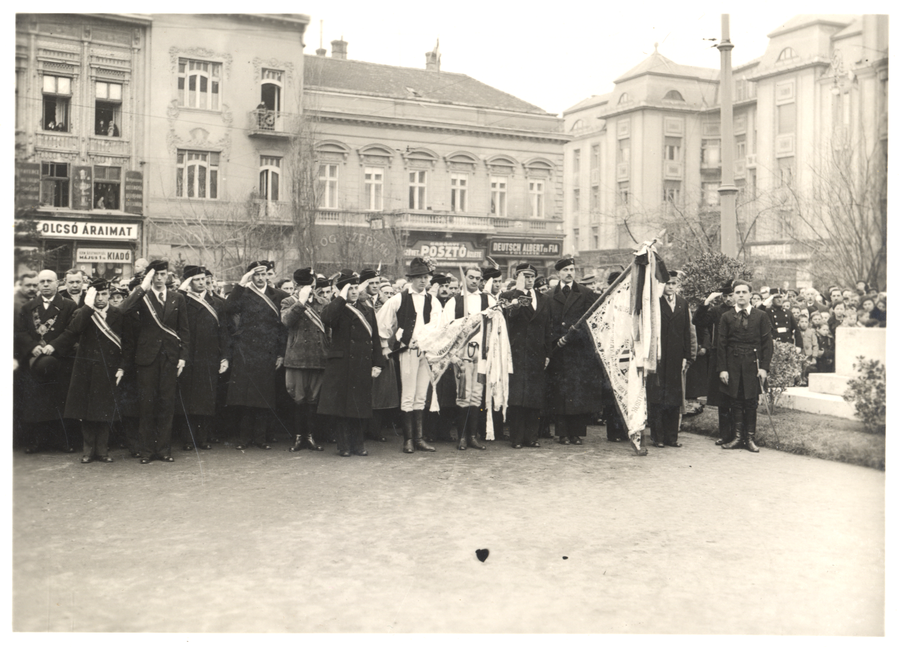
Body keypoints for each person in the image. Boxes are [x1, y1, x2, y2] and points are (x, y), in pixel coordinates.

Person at [52, 278, 134, 463]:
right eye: (97, 295)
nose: (101, 298)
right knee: (87, 412)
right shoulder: (84, 312)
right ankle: (88, 451)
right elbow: (74, 330)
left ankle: (102, 451)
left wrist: (122, 367)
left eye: (104, 294)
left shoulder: (119, 314)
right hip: (86, 369)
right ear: (91, 295)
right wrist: (88, 307)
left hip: (110, 368)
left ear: (109, 294)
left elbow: (128, 344)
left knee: (104, 411)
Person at [118, 260, 190, 463]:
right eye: (155, 274)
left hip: (170, 358)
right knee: (147, 405)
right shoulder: (143, 296)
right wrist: (143, 286)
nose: (159, 278)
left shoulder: (177, 298)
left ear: (168, 275)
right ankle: (147, 451)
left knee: (166, 404)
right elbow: (123, 310)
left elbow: (184, 330)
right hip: (147, 358)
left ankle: (164, 450)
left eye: (163, 274)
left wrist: (183, 357)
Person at [375, 257, 443, 454]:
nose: (423, 281)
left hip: (426, 353)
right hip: (407, 352)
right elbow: (382, 323)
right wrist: (385, 345)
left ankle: (419, 439)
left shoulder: (433, 301)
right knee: (408, 395)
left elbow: (438, 327)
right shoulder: (399, 299)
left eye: (426, 277)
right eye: (419, 277)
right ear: (411, 279)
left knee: (421, 395)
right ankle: (408, 440)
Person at [317, 270, 385, 457]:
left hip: (362, 364)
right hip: (342, 365)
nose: (354, 292)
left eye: (356, 288)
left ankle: (358, 444)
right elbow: (327, 319)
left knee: (359, 406)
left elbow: (375, 338)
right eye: (350, 288)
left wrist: (377, 363)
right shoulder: (337, 308)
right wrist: (340, 298)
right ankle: (344, 446)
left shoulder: (367, 309)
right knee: (342, 408)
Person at [14, 269, 80, 453]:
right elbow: (20, 331)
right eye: (41, 281)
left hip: (59, 360)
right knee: (36, 403)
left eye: (49, 281)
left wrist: (55, 345)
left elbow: (72, 331)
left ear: (57, 283)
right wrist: (32, 346)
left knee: (59, 403)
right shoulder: (28, 307)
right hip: (36, 362)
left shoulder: (68, 306)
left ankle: (62, 442)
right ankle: (38, 442)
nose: (45, 285)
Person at [224, 261, 287, 451]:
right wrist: (241, 283)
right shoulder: (243, 293)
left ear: (269, 275)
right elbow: (228, 308)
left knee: (264, 396)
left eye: (264, 274)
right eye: (256, 275)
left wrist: (281, 353)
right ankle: (244, 438)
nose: (260, 278)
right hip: (247, 351)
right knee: (245, 397)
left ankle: (261, 438)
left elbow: (283, 328)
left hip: (268, 351)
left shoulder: (279, 295)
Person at [440, 266, 498, 450]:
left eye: (477, 278)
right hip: (462, 355)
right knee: (463, 394)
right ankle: (462, 437)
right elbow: (446, 329)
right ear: (464, 278)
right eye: (471, 277)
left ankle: (472, 436)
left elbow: (496, 326)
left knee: (476, 395)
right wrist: (452, 355)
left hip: (482, 355)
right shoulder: (454, 302)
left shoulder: (488, 300)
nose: (474, 281)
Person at [546, 256, 602, 445]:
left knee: (578, 392)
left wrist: (574, 336)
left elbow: (591, 322)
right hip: (559, 351)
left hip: (578, 351)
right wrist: (557, 338)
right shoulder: (549, 295)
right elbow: (548, 323)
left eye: (572, 270)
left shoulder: (586, 293)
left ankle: (577, 433)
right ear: (558, 273)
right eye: (565, 270)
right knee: (561, 392)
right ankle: (562, 433)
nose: (569, 273)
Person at [175, 265, 231, 451]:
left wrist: (224, 357)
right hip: (189, 357)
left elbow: (224, 333)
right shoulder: (183, 300)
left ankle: (203, 438)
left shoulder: (217, 303)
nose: (201, 283)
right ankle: (188, 439)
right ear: (189, 282)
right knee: (188, 399)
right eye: (196, 280)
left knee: (206, 399)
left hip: (209, 357)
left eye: (203, 279)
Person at [717, 280, 774, 453]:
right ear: (733, 295)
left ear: (750, 294)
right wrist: (723, 369)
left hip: (753, 364)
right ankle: (737, 438)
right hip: (733, 365)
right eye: (737, 292)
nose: (741, 295)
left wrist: (764, 367)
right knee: (735, 401)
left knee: (750, 402)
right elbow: (721, 344)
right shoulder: (726, 317)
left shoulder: (761, 316)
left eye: (744, 292)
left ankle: (749, 439)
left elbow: (767, 344)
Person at [499, 263, 551, 449]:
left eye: (531, 276)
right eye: (524, 276)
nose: (529, 280)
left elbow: (548, 327)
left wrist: (547, 353)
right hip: (516, 352)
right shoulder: (507, 296)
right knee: (517, 396)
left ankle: (531, 437)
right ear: (517, 277)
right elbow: (511, 317)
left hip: (537, 353)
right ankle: (516, 438)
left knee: (534, 396)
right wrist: (519, 293)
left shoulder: (544, 299)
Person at [280, 267, 327, 452]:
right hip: (297, 358)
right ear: (296, 285)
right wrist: (300, 302)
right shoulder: (288, 302)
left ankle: (310, 436)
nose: (309, 289)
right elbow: (286, 321)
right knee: (298, 399)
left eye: (311, 285)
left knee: (313, 399)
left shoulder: (323, 303)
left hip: (318, 356)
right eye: (304, 285)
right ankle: (299, 437)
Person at [646, 271, 694, 448]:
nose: (671, 287)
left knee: (674, 397)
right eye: (668, 283)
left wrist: (686, 356)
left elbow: (686, 331)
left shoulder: (682, 303)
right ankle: (658, 437)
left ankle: (672, 437)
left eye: (674, 283)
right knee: (658, 397)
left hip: (676, 357)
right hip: (659, 357)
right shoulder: (655, 302)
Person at [693, 281, 736, 445]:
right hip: (720, 358)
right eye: (725, 296)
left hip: (738, 357)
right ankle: (725, 435)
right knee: (722, 399)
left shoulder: (744, 311)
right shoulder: (717, 311)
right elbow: (698, 321)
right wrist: (706, 302)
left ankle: (740, 434)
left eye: (731, 295)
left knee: (738, 399)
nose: (728, 299)